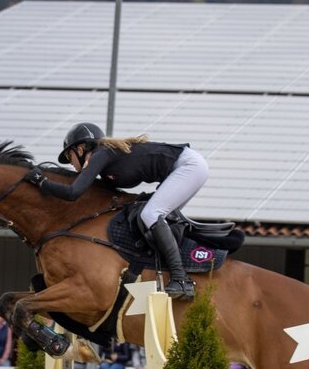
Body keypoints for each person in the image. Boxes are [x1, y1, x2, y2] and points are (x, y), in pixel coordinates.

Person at [25, 122, 209, 300]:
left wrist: (42, 182)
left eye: (69, 155)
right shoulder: (105, 164)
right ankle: (175, 271)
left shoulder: (101, 154)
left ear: (80, 149)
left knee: (150, 215)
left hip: (188, 166)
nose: (70, 163)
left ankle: (181, 279)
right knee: (155, 219)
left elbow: (73, 193)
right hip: (187, 168)